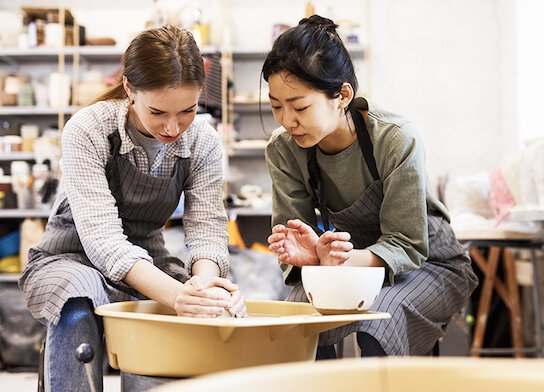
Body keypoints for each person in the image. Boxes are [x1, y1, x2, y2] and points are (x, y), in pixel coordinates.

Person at [19, 25, 246, 392]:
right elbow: (103, 241)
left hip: (147, 258)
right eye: (158, 112)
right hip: (70, 256)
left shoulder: (203, 140)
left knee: (195, 314)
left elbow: (206, 230)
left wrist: (201, 291)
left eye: (187, 110)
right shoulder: (88, 128)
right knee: (80, 298)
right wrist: (175, 296)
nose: (173, 127)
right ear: (129, 90)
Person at [264, 15, 478, 358]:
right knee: (298, 321)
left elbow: (407, 244)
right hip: (345, 263)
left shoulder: (394, 138)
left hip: (426, 262)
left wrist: (334, 261)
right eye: (276, 106)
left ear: (342, 95)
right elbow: (294, 236)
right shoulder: (283, 147)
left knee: (378, 320)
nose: (288, 120)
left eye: (300, 107)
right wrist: (310, 258)